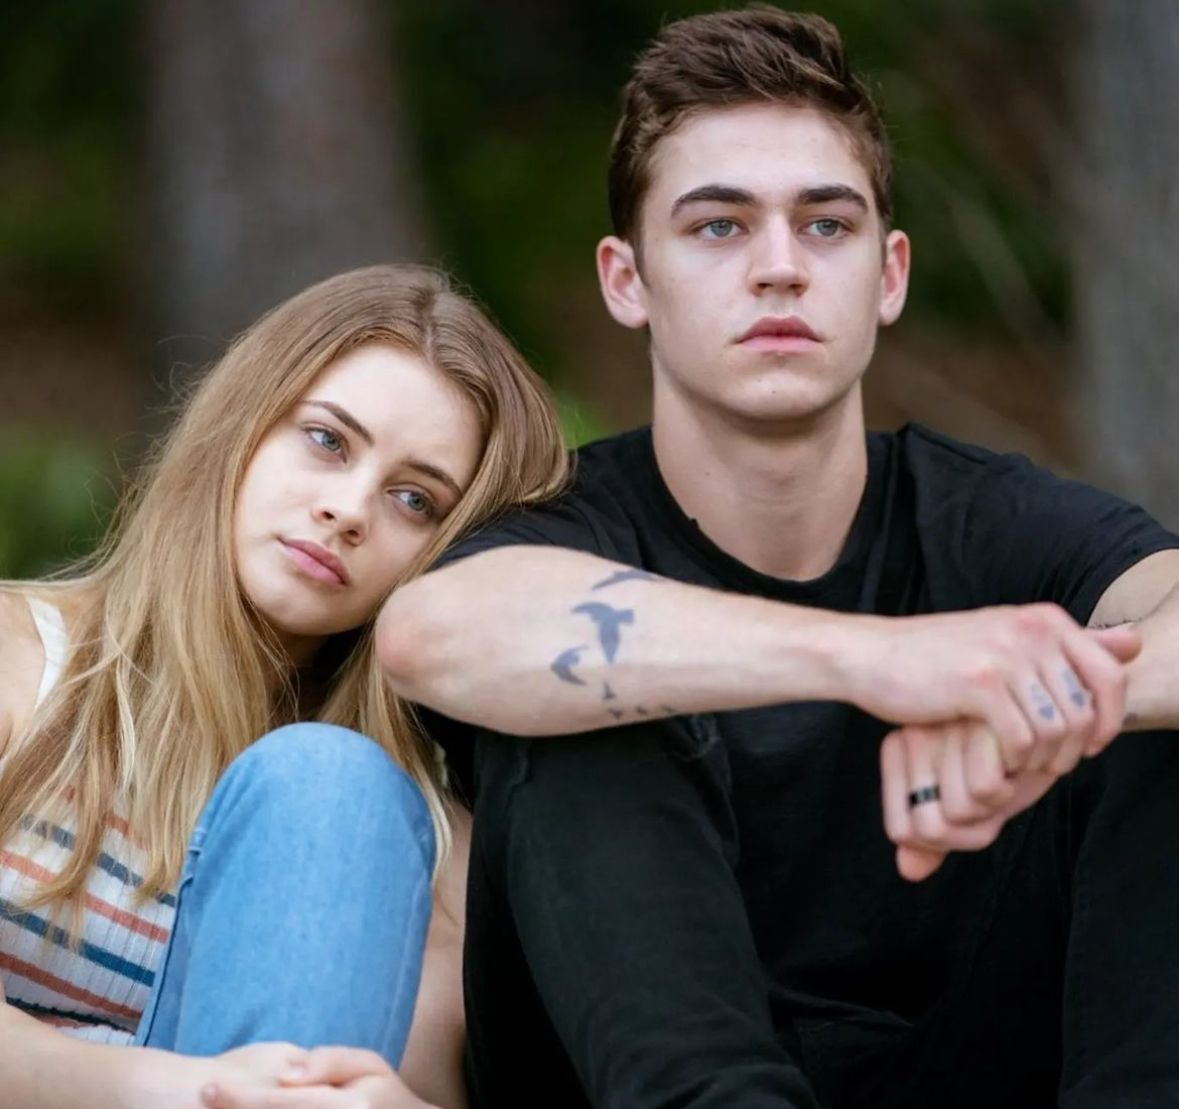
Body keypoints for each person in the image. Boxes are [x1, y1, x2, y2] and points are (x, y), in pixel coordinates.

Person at [376, 9, 1179, 1107]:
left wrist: (1045, 701)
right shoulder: (570, 533)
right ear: (627, 279)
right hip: (634, 1077)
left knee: (1158, 717)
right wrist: (876, 661)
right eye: (718, 226)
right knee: (582, 702)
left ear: (888, 273)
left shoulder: (989, 518)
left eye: (826, 224)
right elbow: (429, 631)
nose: (780, 268)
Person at [0, 264, 568, 1109]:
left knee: (332, 785)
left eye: (415, 499)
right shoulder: (19, 659)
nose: (348, 509)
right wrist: (185, 1091)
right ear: (244, 423)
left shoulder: (410, 845)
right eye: (327, 440)